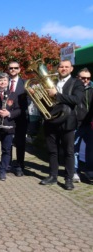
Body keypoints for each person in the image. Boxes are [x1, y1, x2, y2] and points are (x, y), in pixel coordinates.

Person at [39, 60, 84, 190]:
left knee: (69, 152)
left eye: (66, 67)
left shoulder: (77, 83)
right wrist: (35, 92)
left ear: (71, 69)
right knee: (52, 151)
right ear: (58, 68)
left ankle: (68, 179)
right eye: (61, 67)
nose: (63, 69)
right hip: (51, 120)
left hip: (67, 121)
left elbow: (76, 99)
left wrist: (57, 95)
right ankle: (53, 176)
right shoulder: (52, 81)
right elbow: (44, 100)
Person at [0, 73, 20, 181]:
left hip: (8, 125)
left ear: (8, 82)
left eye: (5, 80)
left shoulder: (13, 94)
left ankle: (3, 171)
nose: (2, 82)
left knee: (6, 150)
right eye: (0, 80)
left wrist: (9, 114)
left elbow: (18, 110)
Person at [7, 61, 28, 176]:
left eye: (15, 68)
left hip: (21, 117)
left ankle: (20, 165)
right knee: (8, 142)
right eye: (11, 68)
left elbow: (29, 100)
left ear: (19, 69)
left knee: (20, 143)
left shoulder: (25, 83)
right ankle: (8, 164)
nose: (13, 70)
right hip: (7, 117)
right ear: (8, 69)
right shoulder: (4, 82)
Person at [73, 68, 92, 182]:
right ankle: (75, 171)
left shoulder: (92, 89)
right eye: (83, 78)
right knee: (74, 150)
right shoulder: (72, 89)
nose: (85, 80)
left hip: (88, 125)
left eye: (88, 78)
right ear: (77, 78)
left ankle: (90, 172)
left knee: (91, 149)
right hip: (75, 124)